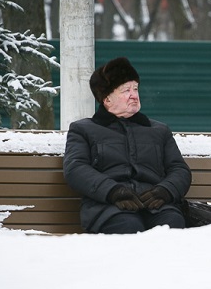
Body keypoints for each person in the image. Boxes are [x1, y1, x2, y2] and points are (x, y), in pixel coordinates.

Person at [63, 57, 191, 234]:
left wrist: (165, 191)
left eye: (135, 89)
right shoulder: (83, 129)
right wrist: (113, 191)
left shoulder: (159, 130)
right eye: (126, 90)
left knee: (172, 223)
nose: (134, 95)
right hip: (108, 209)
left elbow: (179, 169)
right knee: (128, 227)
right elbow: (75, 168)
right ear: (107, 99)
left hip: (156, 206)